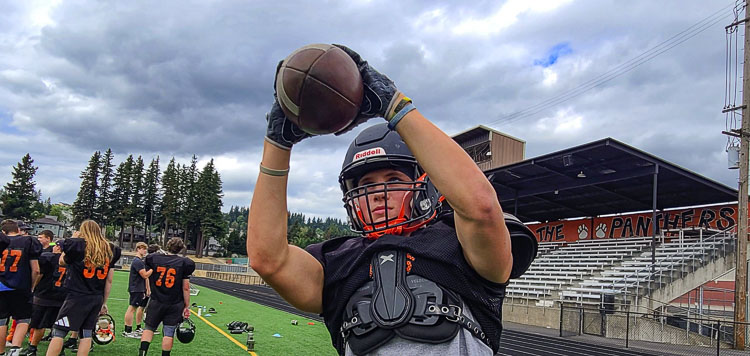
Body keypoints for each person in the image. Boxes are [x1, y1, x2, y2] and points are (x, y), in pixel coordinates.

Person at [247, 45, 537, 355]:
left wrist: (394, 106)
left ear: (424, 184)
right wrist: (278, 142)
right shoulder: (338, 263)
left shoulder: (462, 245)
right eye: (367, 184)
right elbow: (267, 258)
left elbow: (480, 206)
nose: (377, 194)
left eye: (393, 180)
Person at [45, 220, 121, 356]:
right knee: (86, 334)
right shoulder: (110, 249)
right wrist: (104, 302)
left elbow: (61, 261)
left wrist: (74, 238)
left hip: (77, 295)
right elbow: (109, 281)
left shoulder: (79, 246)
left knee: (59, 331)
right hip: (96, 297)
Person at [138, 237, 195, 356]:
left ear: (167, 246)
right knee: (169, 332)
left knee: (149, 329)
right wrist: (187, 305)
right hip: (174, 303)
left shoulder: (154, 258)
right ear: (180, 249)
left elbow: (149, 273)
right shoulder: (184, 263)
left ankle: (142, 354)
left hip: (156, 300)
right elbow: (186, 287)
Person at [0, 220, 42, 356]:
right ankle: (14, 350)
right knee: (23, 319)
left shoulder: (3, 242)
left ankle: (0, 352)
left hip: (1, 285)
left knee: (1, 320)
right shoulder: (28, 241)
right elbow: (36, 270)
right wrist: (32, 286)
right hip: (21, 285)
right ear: (18, 230)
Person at [20, 240, 67, 356]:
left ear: (58, 247)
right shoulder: (70, 261)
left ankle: (32, 349)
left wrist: (33, 287)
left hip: (45, 295)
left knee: (39, 325)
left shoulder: (49, 258)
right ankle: (59, 350)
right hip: (62, 297)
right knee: (57, 327)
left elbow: (39, 274)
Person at [123, 242, 152, 338]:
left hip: (138, 288)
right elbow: (145, 275)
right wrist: (152, 269)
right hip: (136, 288)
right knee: (132, 309)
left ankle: (129, 329)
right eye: (143, 249)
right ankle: (128, 330)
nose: (145, 251)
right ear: (138, 249)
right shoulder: (137, 261)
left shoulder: (139, 261)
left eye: (145, 249)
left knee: (133, 308)